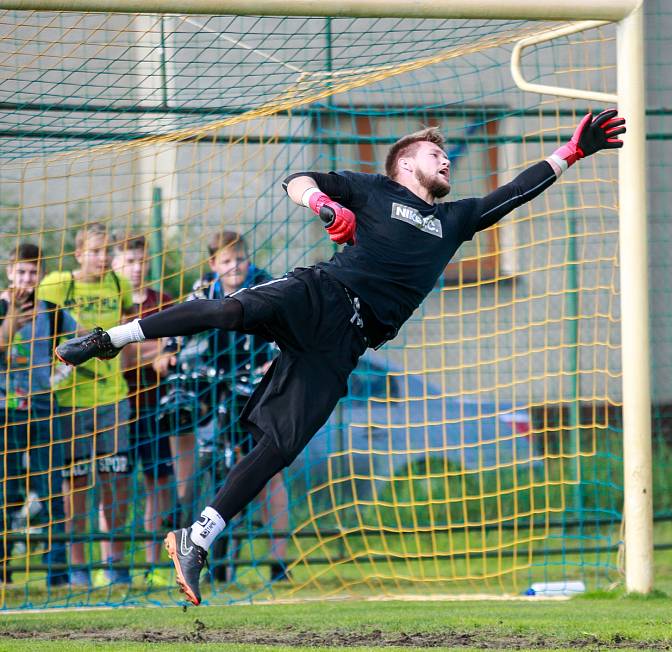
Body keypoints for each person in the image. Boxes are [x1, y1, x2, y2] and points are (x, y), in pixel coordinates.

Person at [56, 109, 626, 604]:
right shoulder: (373, 190)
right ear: (405, 163)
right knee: (229, 310)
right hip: (321, 294)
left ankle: (197, 539)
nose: (447, 161)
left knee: (280, 445)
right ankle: (108, 339)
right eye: (436, 153)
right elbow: (295, 180)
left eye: (447, 155)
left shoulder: (454, 220)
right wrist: (327, 205)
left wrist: (573, 151)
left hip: (347, 342)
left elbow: (515, 190)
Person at [152, 230, 289, 582]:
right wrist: (168, 352)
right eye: (226, 261)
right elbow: (182, 320)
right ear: (214, 264)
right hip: (213, 375)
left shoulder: (264, 284)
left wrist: (273, 360)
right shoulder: (204, 288)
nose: (235, 266)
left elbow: (288, 325)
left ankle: (279, 560)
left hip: (255, 378)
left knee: (268, 468)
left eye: (240, 259)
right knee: (178, 414)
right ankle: (185, 500)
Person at [40, 222, 135, 587]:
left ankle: (114, 563)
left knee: (115, 482)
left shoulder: (118, 284)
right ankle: (77, 565)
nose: (102, 258)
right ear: (79, 254)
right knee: (75, 485)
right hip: (70, 402)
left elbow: (127, 332)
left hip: (112, 400)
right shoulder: (58, 285)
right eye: (94, 251)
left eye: (106, 251)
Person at [0, 243, 77, 588]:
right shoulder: (2, 307)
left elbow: (79, 341)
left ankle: (57, 571)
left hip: (44, 407)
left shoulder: (53, 311)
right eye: (21, 273)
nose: (27, 279)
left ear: (41, 275)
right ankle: (4, 568)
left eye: (33, 273)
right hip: (6, 410)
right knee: (8, 490)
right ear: (9, 273)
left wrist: (58, 377)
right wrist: (13, 317)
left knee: (51, 489)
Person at [111, 233, 175, 588]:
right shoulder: (111, 302)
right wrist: (155, 349)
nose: (135, 269)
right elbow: (122, 358)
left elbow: (173, 347)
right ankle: (114, 566)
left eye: (140, 262)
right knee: (116, 487)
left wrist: (152, 349)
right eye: (128, 262)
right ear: (115, 264)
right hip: (117, 408)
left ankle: (154, 565)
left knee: (157, 485)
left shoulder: (162, 302)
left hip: (155, 409)